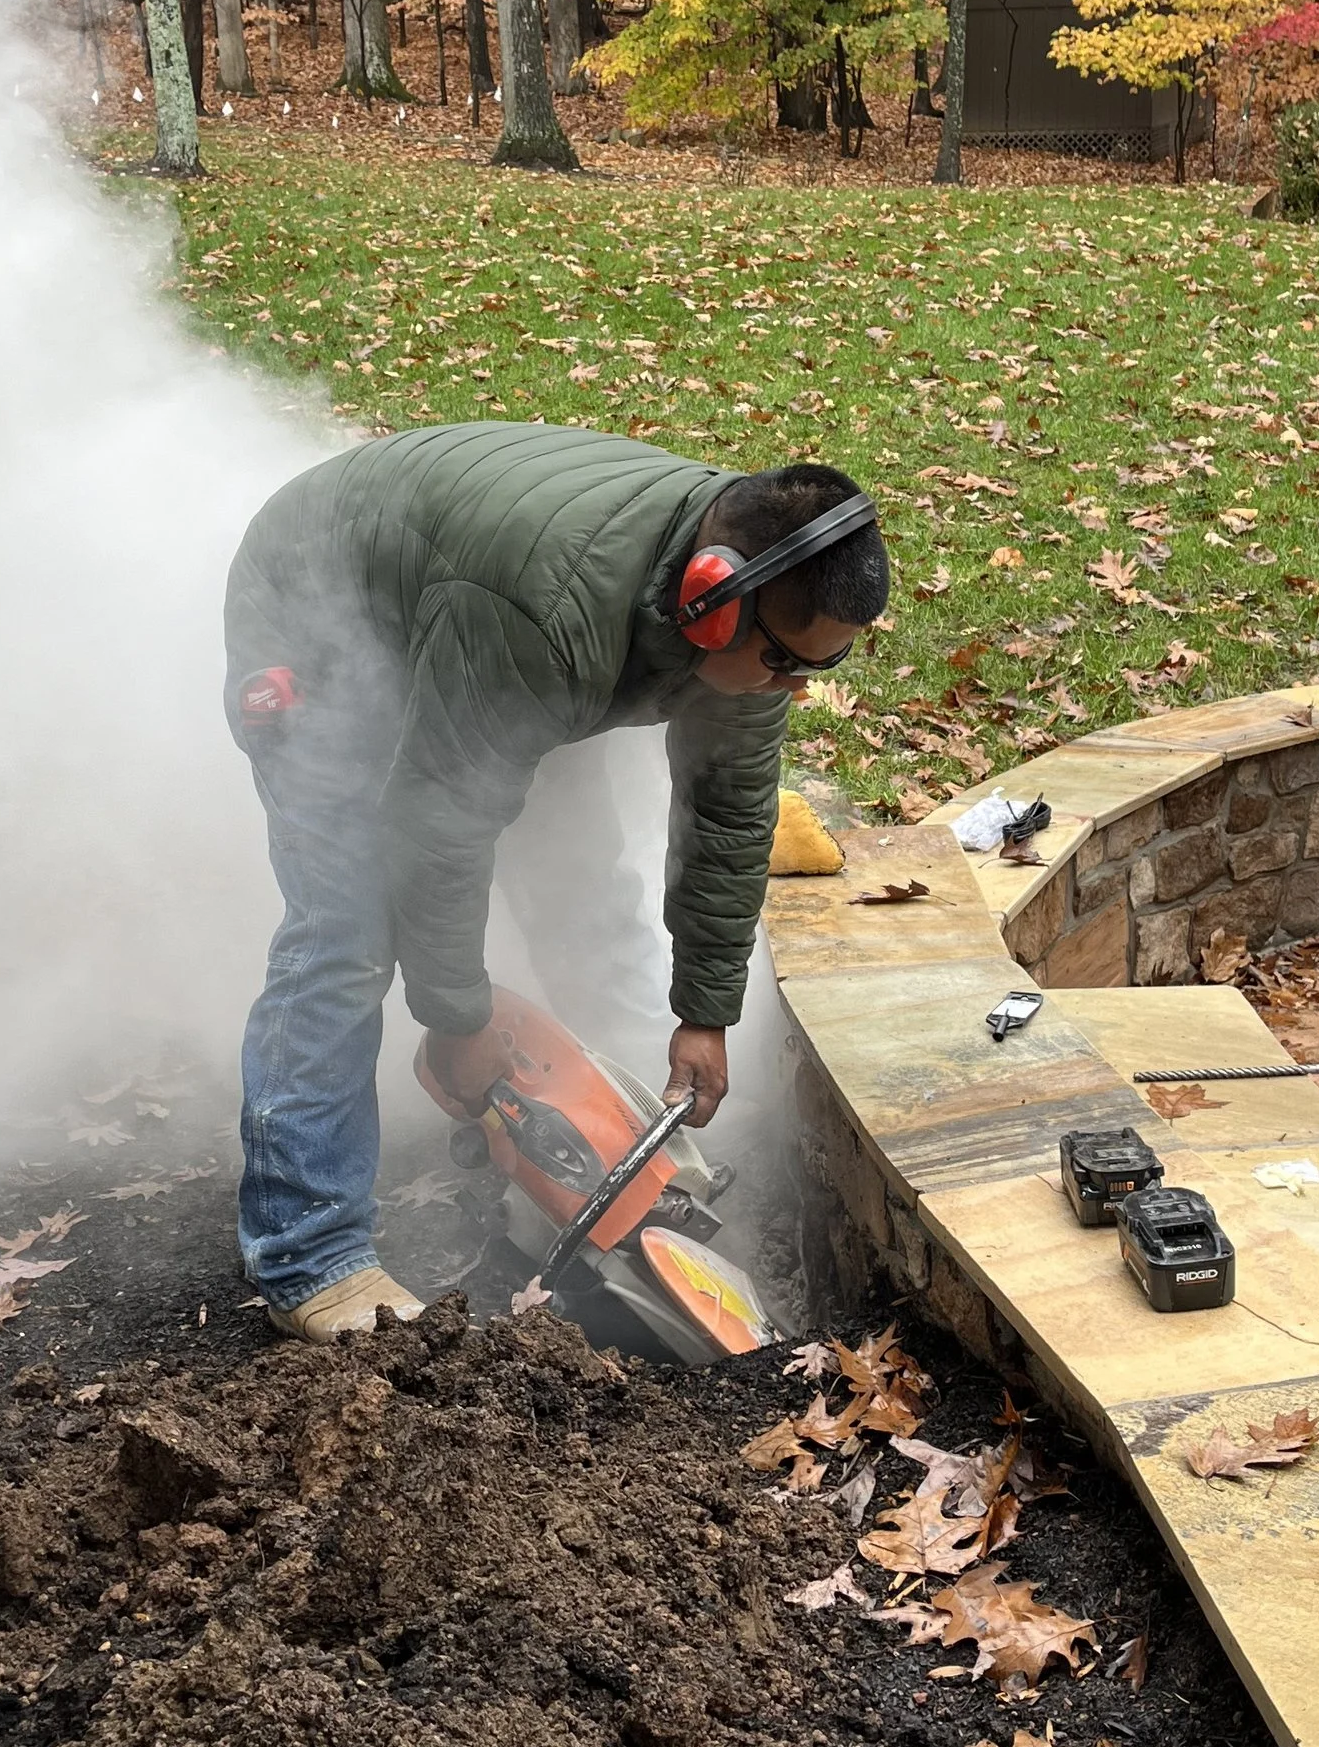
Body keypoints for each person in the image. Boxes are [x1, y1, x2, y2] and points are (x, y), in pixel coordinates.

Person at [223, 422, 889, 1339]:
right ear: (712, 602)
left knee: (575, 861)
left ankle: (608, 1105)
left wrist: (703, 1014)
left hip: (483, 631)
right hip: (321, 614)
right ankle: (309, 1252)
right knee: (348, 926)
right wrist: (455, 1021)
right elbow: (439, 827)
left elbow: (729, 818)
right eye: (786, 660)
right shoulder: (547, 617)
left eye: (825, 664)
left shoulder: (750, 624)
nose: (798, 687)